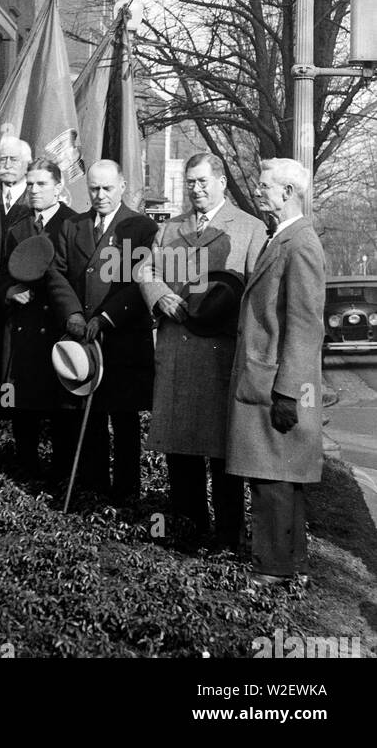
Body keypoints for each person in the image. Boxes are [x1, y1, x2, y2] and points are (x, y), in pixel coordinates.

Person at [140, 152, 267, 549]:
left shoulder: (250, 228)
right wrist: (160, 297)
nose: (196, 189)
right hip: (176, 353)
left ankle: (229, 538)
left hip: (220, 356)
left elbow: (257, 293)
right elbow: (144, 269)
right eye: (190, 183)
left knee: (223, 453)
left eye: (203, 182)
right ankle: (186, 530)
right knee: (181, 449)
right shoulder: (170, 228)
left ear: (221, 182)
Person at [226, 158, 326, 585]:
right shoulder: (284, 238)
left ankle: (271, 571)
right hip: (267, 377)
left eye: (265, 185)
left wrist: (289, 392)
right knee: (279, 475)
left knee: (273, 477)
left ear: (288, 192)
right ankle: (292, 565)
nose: (259, 190)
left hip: (275, 381)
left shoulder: (299, 242)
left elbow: (306, 324)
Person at [0, 150, 85, 476]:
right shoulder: (16, 228)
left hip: (57, 329)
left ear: (58, 186)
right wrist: (8, 291)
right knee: (22, 405)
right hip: (21, 330)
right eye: (31, 183)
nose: (34, 190)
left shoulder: (75, 224)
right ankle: (24, 472)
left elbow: (76, 276)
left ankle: (64, 476)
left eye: (42, 184)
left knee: (62, 407)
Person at [53, 159, 157, 503]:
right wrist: (72, 313)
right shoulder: (73, 225)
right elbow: (58, 274)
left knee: (124, 419)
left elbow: (141, 280)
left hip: (123, 339)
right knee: (90, 414)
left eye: (107, 188)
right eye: (94, 188)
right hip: (83, 339)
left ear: (122, 186)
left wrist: (106, 317)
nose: (100, 195)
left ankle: (127, 495)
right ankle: (94, 489)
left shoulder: (141, 227)